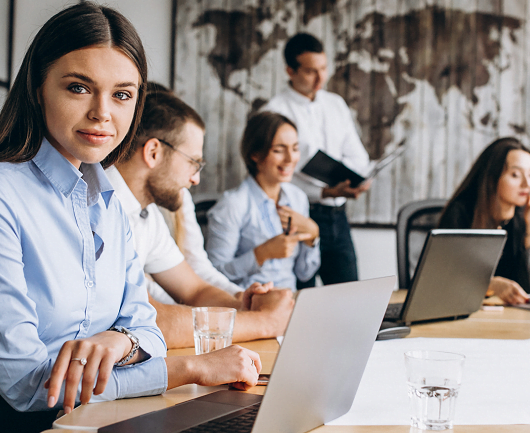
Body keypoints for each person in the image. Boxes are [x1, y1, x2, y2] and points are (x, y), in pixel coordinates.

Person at [0, 3, 259, 433]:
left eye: (122, 94)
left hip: (75, 415)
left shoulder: (110, 201)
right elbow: (29, 386)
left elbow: (147, 330)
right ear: (39, 88)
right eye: (79, 88)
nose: (103, 113)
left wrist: (122, 341)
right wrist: (191, 368)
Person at [106, 85, 293, 349]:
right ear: (153, 153)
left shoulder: (147, 215)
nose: (196, 179)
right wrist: (263, 322)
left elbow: (195, 289)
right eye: (193, 162)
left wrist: (243, 305)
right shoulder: (100, 210)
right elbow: (145, 322)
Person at [261, 32, 369, 288]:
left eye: (323, 68)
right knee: (302, 300)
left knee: (350, 296)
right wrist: (325, 190)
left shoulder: (336, 104)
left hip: (338, 218)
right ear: (290, 70)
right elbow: (273, 175)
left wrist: (355, 182)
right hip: (296, 216)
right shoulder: (273, 112)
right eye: (311, 71)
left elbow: (358, 156)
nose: (321, 78)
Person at [207, 111, 320, 291]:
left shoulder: (298, 198)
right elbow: (212, 276)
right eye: (279, 150)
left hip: (289, 303)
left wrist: (313, 235)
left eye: (295, 148)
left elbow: (305, 273)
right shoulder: (232, 205)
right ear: (255, 154)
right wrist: (261, 254)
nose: (291, 159)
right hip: (248, 306)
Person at [438, 137, 530, 305]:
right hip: (465, 315)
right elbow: (444, 279)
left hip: (514, 322)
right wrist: (490, 285)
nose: (527, 184)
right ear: (492, 177)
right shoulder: (461, 213)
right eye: (515, 175)